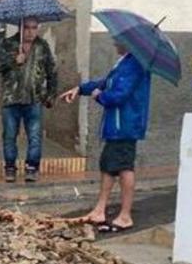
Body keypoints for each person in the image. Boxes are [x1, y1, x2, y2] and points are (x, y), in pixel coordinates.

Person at [60, 42, 151, 233]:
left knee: (125, 167)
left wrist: (99, 96)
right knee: (108, 165)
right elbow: (106, 82)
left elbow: (118, 95)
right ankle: (100, 209)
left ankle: (125, 216)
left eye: (117, 39)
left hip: (125, 125)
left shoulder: (135, 64)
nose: (114, 42)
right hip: (116, 125)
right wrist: (80, 89)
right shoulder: (125, 62)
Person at [0, 17, 59, 183]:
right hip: (11, 100)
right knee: (9, 136)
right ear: (20, 28)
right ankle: (10, 168)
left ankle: (32, 168)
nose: (30, 31)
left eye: (34, 28)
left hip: (34, 99)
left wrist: (50, 95)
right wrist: (13, 60)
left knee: (34, 136)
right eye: (27, 27)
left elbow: (52, 71)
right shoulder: (8, 44)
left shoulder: (42, 46)